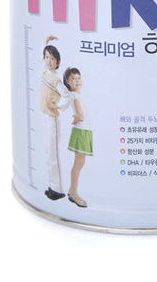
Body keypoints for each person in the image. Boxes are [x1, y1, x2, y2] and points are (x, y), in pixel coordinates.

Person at [40, 35, 71, 201]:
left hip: (52, 119)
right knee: (48, 151)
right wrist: (46, 42)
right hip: (45, 116)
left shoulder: (56, 79)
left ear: (58, 62)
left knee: (53, 153)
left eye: (52, 59)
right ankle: (51, 186)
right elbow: (43, 54)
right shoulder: (46, 72)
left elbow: (68, 97)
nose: (48, 61)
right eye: (46, 58)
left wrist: (58, 106)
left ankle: (57, 189)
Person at [63, 67, 93, 208]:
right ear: (67, 81)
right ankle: (73, 193)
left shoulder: (77, 96)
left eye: (78, 78)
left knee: (80, 162)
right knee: (79, 163)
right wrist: (77, 118)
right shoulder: (75, 97)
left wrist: (77, 117)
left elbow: (80, 115)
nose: (77, 81)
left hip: (84, 131)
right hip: (81, 132)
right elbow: (80, 115)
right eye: (73, 78)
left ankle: (72, 191)